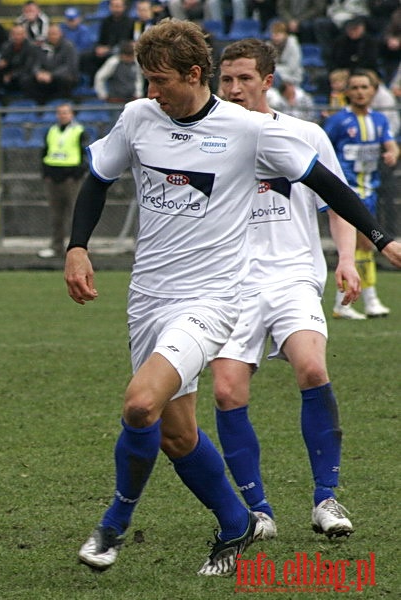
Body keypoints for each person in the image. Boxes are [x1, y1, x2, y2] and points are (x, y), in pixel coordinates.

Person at [65, 18, 401, 577]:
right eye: (146, 80)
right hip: (147, 298)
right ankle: (235, 522)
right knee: (177, 434)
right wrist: (78, 246)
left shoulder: (248, 130)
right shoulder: (138, 118)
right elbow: (98, 178)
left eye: (161, 80)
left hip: (212, 300)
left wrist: (381, 240)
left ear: (194, 75)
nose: (151, 92)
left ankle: (113, 524)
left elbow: (326, 183)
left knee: (140, 404)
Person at [214, 37, 362, 545]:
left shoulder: (305, 134)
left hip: (294, 273)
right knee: (227, 389)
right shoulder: (206, 139)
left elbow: (338, 201)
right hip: (230, 283)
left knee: (312, 367)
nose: (233, 89)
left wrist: (346, 259)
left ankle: (326, 499)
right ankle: (258, 510)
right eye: (226, 79)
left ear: (268, 82)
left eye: (244, 80)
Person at [323, 69, 400, 318]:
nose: (359, 92)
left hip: (370, 189)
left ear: (374, 91)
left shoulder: (378, 119)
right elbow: (322, 148)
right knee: (359, 244)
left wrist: (392, 154)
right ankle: (355, 301)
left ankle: (361, 301)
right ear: (347, 92)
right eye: (354, 87)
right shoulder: (337, 121)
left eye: (364, 87)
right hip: (347, 190)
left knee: (366, 246)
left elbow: (391, 145)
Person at [38, 102, 89, 258]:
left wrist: (77, 173)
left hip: (71, 178)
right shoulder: (51, 131)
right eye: (60, 112)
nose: (62, 115)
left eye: (66, 112)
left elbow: (85, 153)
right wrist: (45, 172)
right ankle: (56, 246)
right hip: (53, 178)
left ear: (72, 114)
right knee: (56, 216)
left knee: (76, 214)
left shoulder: (79, 131)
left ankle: (78, 247)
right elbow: (45, 151)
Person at [0, 24, 43, 103]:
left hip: (22, 76)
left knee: (26, 79)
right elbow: (4, 61)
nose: (17, 37)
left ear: (24, 35)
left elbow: (28, 67)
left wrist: (12, 74)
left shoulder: (31, 48)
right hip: (8, 75)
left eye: (19, 34)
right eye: (14, 34)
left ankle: (29, 103)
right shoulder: (6, 46)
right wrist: (0, 65)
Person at [23, 24, 80, 104]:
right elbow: (35, 62)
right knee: (26, 80)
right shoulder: (41, 46)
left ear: (60, 34)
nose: (52, 36)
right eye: (50, 34)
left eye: (55, 34)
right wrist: (38, 73)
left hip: (60, 77)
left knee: (66, 80)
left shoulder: (69, 47)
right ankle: (38, 106)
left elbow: (69, 66)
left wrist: (52, 75)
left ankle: (61, 103)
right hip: (44, 77)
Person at [79, 0, 136, 80]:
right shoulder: (106, 21)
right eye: (113, 6)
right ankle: (91, 81)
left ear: (124, 7)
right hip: (104, 50)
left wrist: (109, 49)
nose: (116, 9)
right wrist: (98, 48)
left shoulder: (130, 22)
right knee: (85, 56)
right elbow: (101, 40)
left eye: (118, 6)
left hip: (121, 51)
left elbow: (128, 41)